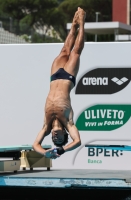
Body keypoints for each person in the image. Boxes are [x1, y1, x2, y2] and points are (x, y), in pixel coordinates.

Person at [33, 7, 86, 159]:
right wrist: (63, 150)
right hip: (68, 77)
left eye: (55, 139)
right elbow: (77, 141)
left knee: (64, 50)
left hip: (55, 77)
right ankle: (81, 22)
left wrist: (45, 153)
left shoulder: (46, 126)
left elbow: (35, 144)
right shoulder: (69, 123)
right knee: (75, 51)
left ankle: (74, 24)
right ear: (64, 133)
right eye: (60, 139)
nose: (56, 137)